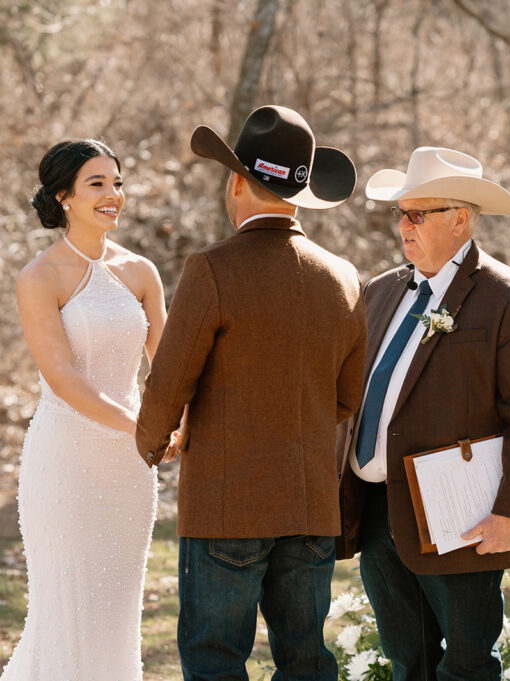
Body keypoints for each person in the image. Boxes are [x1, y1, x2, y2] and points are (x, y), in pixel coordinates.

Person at [136, 105, 367, 681]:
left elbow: (169, 381)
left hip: (226, 502)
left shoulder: (212, 268)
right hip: (312, 506)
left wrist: (152, 442)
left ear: (236, 181)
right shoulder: (343, 277)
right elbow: (347, 396)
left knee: (215, 659)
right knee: (307, 661)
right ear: (301, 190)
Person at [335, 146, 510, 681]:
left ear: (460, 219)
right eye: (401, 214)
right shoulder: (382, 290)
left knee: (466, 665)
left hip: (461, 517)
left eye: (418, 214)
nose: (403, 228)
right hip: (377, 510)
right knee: (407, 661)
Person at [0, 139, 166, 681]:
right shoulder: (38, 277)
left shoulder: (142, 272)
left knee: (117, 613)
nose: (113, 194)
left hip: (130, 470)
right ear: (62, 196)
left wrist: (173, 421)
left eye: (117, 183)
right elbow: (63, 378)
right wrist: (141, 425)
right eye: (97, 184)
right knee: (65, 609)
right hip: (64, 462)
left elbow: (167, 368)